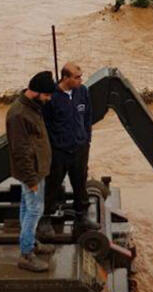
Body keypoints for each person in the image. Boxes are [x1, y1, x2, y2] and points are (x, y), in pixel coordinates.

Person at [6, 70, 57, 272]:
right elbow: (20, 151)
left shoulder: (31, 107)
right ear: (35, 92)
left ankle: (31, 243)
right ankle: (26, 254)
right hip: (32, 172)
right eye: (47, 95)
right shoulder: (19, 114)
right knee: (34, 209)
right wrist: (31, 178)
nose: (49, 99)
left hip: (37, 169)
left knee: (27, 207)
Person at [41, 62, 93, 236]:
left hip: (79, 148)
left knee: (80, 183)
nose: (80, 80)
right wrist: (54, 145)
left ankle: (81, 217)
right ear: (65, 78)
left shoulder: (83, 92)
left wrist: (86, 140)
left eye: (80, 76)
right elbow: (45, 123)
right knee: (53, 184)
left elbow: (87, 117)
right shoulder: (52, 97)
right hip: (59, 151)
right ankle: (45, 218)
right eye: (77, 77)